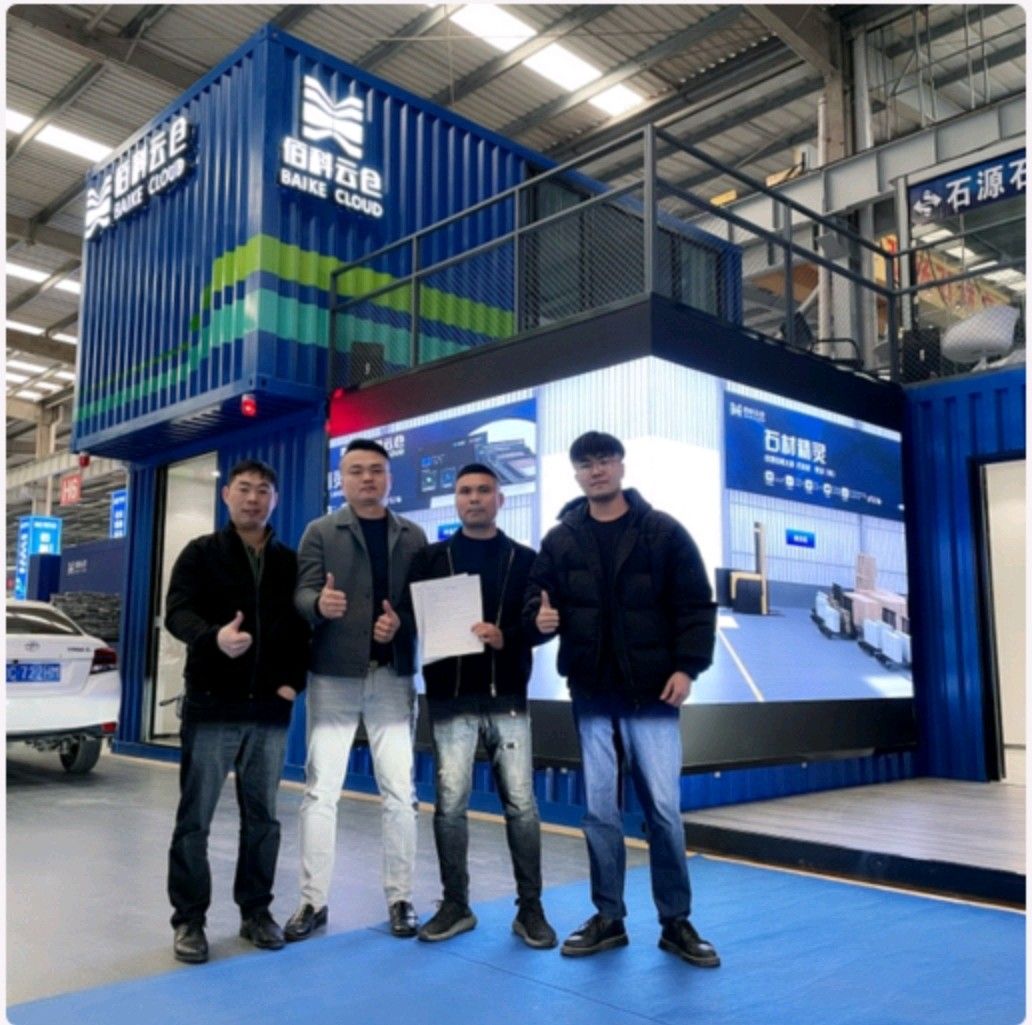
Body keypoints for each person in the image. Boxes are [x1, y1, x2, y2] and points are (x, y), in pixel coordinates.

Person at [524, 431, 720, 966]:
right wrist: (538, 618)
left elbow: (695, 605)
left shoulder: (662, 531)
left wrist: (687, 667)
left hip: (653, 695)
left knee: (664, 812)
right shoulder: (562, 539)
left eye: (604, 460)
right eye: (585, 463)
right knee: (599, 813)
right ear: (576, 474)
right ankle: (608, 917)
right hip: (592, 694)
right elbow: (535, 601)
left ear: (621, 465)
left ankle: (676, 922)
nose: (596, 470)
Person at [404, 463, 557, 948]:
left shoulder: (526, 559)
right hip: (449, 699)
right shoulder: (430, 560)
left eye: (484, 490)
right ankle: (456, 904)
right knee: (449, 806)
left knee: (522, 806)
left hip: (507, 697)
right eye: (466, 491)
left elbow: (538, 622)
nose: (474, 498)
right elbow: (411, 619)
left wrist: (509, 635)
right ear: (456, 500)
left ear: (500, 500)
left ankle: (530, 909)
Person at [165, 458, 310, 965]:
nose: (253, 498)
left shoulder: (290, 562)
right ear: (226, 494)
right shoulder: (201, 553)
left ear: (275, 499)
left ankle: (256, 912)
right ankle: (190, 920)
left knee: (264, 819)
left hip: (270, 709)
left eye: (263, 490)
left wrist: (294, 682)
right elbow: (177, 612)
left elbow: (303, 628)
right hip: (212, 704)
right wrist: (213, 639)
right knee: (195, 820)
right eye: (244, 489)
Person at [285, 438, 428, 942]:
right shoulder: (320, 531)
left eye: (376, 470)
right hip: (333, 675)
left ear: (390, 477)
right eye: (356, 471)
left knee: (400, 792)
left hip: (393, 676)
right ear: (341, 480)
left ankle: (401, 898)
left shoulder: (413, 535)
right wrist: (317, 605)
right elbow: (301, 593)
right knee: (321, 791)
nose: (367, 478)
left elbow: (422, 603)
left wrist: (401, 623)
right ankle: (312, 901)